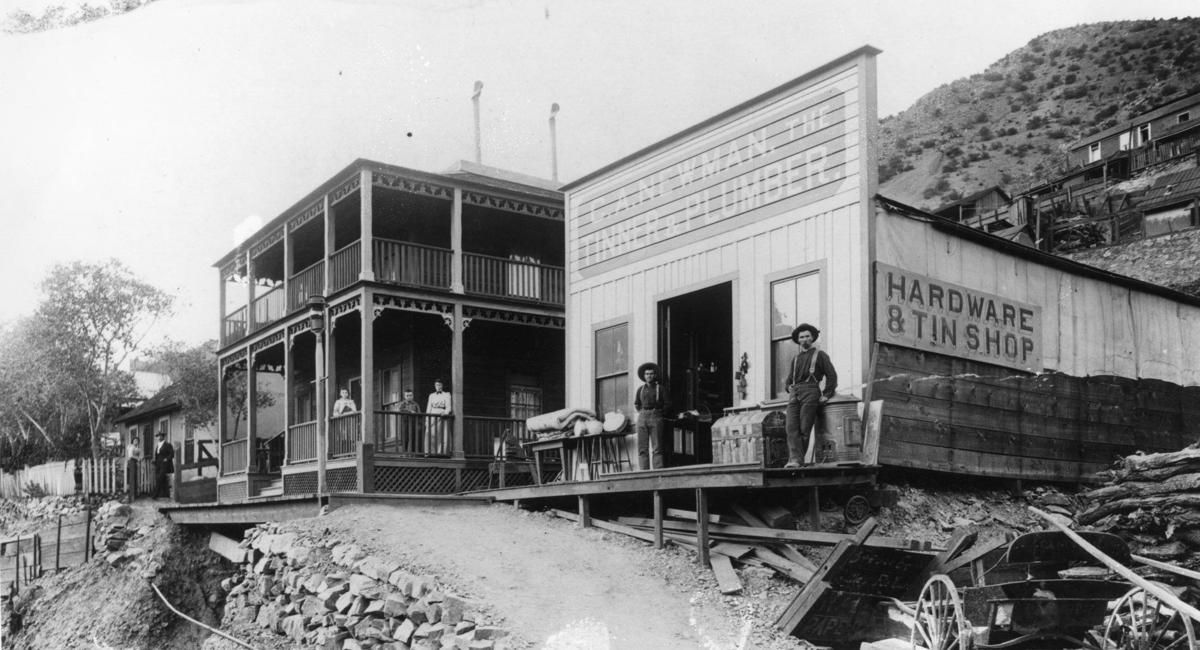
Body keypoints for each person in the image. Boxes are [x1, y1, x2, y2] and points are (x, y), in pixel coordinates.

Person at [783, 323, 838, 469]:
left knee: (804, 427)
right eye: (801, 337)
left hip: (811, 391)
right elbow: (789, 379)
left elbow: (832, 376)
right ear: (798, 340)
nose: (804, 339)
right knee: (790, 427)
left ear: (812, 338)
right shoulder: (795, 358)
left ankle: (796, 461)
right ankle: (794, 459)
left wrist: (827, 394)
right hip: (795, 393)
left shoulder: (820, 355)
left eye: (807, 336)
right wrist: (788, 386)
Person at [634, 362, 669, 471]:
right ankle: (644, 471)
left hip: (656, 416)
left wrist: (659, 413)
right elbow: (636, 404)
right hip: (642, 417)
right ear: (644, 376)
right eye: (647, 374)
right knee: (642, 447)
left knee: (657, 447)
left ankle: (658, 471)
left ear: (654, 375)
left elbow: (667, 403)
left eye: (651, 374)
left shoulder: (660, 388)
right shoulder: (640, 389)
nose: (649, 376)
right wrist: (642, 413)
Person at [425, 380, 452, 455]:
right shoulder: (431, 395)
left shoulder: (446, 395)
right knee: (431, 435)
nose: (438, 387)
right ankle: (431, 453)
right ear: (435, 386)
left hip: (441, 416)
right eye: (437, 385)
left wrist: (446, 412)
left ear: (442, 386)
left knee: (442, 435)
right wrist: (427, 420)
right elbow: (428, 408)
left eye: (440, 385)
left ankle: (441, 453)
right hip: (432, 416)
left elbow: (448, 407)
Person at [396, 388, 422, 453]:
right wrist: (409, 411)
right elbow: (399, 410)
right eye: (407, 395)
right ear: (405, 396)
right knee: (405, 438)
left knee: (414, 438)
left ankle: (413, 453)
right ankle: (404, 452)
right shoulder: (402, 404)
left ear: (412, 396)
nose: (409, 397)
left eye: (410, 395)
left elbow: (419, 413)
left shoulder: (415, 404)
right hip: (405, 422)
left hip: (414, 422)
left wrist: (418, 421)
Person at [152, 431, 175, 499]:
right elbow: (157, 455)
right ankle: (165, 494)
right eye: (158, 436)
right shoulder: (158, 445)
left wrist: (166, 459)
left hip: (165, 464)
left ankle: (155, 494)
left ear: (163, 436)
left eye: (160, 436)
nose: (159, 437)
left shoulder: (168, 444)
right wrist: (155, 461)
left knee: (159, 478)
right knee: (162, 479)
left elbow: (172, 454)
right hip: (158, 463)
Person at [126, 434, 142, 499]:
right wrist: (137, 458)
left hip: (135, 462)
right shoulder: (131, 447)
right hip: (131, 462)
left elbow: (138, 456)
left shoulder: (137, 448)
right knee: (132, 478)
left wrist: (139, 459)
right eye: (135, 440)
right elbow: (130, 455)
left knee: (136, 477)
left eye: (137, 441)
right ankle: (132, 495)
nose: (136, 442)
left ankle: (135, 494)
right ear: (132, 441)